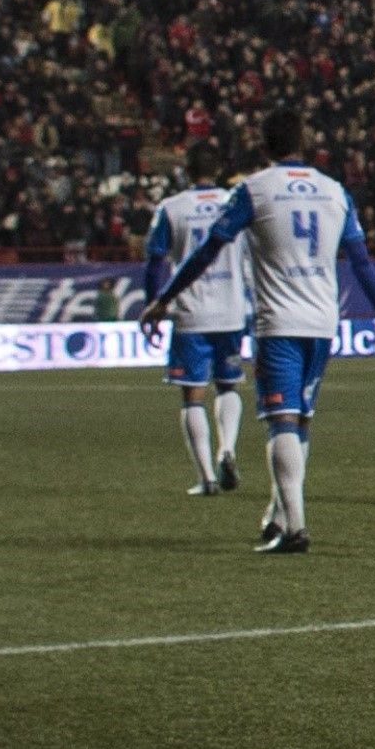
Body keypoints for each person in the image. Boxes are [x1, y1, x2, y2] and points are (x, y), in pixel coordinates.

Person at [144, 109, 375, 554]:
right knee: (300, 420)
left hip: (279, 324)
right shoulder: (335, 192)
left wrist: (164, 299)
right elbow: (361, 261)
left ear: (263, 147)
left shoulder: (254, 190)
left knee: (280, 420)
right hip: (324, 323)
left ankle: (295, 529)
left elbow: (209, 250)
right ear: (303, 142)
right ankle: (279, 515)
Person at [139, 151, 252, 496]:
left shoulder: (171, 208)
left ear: (186, 172)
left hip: (191, 313)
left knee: (193, 396)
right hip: (232, 310)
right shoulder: (236, 204)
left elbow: (156, 262)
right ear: (217, 170)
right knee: (229, 385)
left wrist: (155, 304)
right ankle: (228, 448)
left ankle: (206, 479)